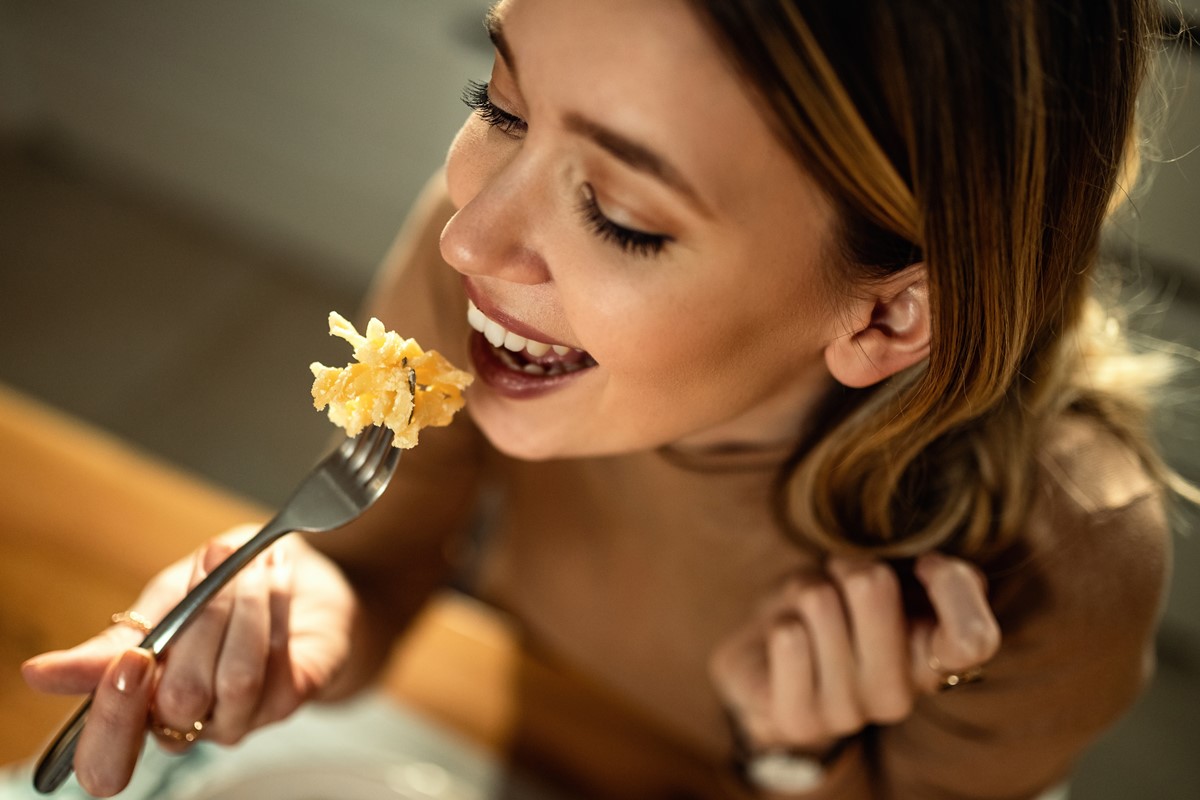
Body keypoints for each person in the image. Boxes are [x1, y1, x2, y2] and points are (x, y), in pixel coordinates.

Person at [22, 0, 1188, 797]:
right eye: (498, 103)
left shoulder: (1061, 557)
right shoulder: (479, 261)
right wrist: (311, 597)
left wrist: (800, 762)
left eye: (624, 216)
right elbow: (374, 566)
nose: (472, 235)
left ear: (887, 315)